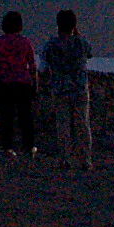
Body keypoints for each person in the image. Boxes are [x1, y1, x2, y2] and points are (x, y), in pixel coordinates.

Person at [40, 9, 93, 170]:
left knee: (63, 125)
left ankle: (65, 159)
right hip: (79, 89)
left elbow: (43, 68)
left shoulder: (50, 45)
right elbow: (89, 54)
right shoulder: (82, 43)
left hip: (60, 89)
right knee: (82, 124)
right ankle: (85, 160)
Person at [0, 11, 39, 156]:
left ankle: (8, 147)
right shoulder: (25, 42)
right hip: (23, 83)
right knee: (25, 117)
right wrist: (35, 83)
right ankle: (29, 146)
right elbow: (32, 65)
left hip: (4, 83)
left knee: (6, 116)